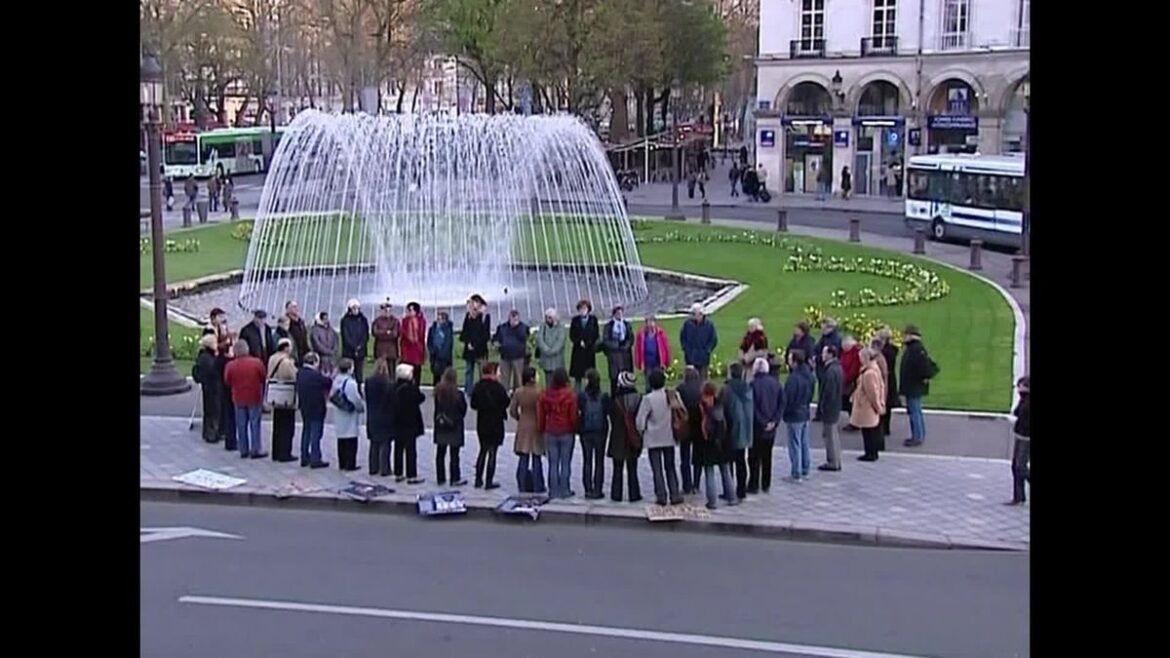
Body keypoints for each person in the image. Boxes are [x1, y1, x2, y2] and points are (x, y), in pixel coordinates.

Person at [636, 369, 683, 506]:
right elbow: (680, 411)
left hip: (653, 438)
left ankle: (661, 495)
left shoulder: (648, 399)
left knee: (657, 469)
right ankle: (674, 494)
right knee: (670, 467)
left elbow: (640, 421)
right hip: (669, 436)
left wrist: (642, 431)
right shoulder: (672, 395)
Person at [223, 338, 268, 459]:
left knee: (241, 424)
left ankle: (243, 449)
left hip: (238, 397)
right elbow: (263, 377)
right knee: (255, 423)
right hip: (254, 396)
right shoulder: (256, 363)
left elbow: (227, 381)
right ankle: (256, 449)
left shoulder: (230, 365)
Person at [538, 367, 579, 499]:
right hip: (566, 431)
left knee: (553, 463)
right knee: (565, 463)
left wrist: (542, 428)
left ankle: (553, 490)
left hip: (551, 431)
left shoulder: (545, 394)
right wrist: (575, 427)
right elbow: (573, 416)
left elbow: (541, 414)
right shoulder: (570, 395)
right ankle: (565, 489)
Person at [697, 380, 737, 509]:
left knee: (709, 472)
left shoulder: (702, 408)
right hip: (722, 443)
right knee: (725, 470)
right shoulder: (720, 405)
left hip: (709, 443)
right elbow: (729, 423)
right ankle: (732, 497)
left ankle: (712, 501)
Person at [470, 361, 509, 489]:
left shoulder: (478, 387)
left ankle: (478, 479)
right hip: (496, 423)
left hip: (482, 422)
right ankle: (489, 481)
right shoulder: (498, 388)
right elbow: (506, 403)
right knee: (493, 452)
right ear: (493, 372)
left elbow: (473, 404)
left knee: (482, 450)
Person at [748, 357, 784, 493]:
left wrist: (762, 422)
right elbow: (781, 404)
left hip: (757, 427)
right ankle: (766, 483)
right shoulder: (776, 384)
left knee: (754, 457)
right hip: (771, 427)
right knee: (767, 456)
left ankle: (753, 484)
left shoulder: (752, 385)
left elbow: (753, 407)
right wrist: (774, 421)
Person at [607, 371, 643, 502]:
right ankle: (634, 494)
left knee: (617, 469)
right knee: (633, 468)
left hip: (617, 437)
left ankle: (616, 494)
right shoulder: (639, 399)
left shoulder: (615, 401)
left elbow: (611, 418)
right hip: (633, 436)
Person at [899, 324, 937, 447]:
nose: (903, 337)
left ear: (911, 336)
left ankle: (917, 437)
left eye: (905, 335)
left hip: (913, 386)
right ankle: (919, 435)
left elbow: (925, 368)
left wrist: (923, 378)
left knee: (914, 412)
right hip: (913, 386)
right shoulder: (916, 349)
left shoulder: (915, 350)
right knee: (916, 411)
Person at [509, 366, 545, 493]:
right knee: (536, 457)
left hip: (524, 424)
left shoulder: (518, 392)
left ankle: (522, 484)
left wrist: (519, 417)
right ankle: (538, 485)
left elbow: (512, 410)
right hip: (536, 424)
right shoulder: (539, 392)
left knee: (523, 457)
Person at [576, 369, 610, 499]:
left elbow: (579, 411)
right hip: (600, 431)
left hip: (586, 431)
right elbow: (607, 413)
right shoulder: (604, 397)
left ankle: (588, 489)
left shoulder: (582, 396)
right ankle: (598, 489)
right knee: (599, 461)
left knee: (587, 460)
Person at [720, 362, 753, 499]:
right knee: (741, 461)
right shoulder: (748, 388)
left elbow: (721, 410)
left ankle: (730, 490)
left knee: (728, 462)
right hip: (746, 429)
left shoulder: (727, 389)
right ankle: (741, 490)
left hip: (731, 430)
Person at [782, 349, 814, 482]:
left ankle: (796, 472)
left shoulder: (793, 378)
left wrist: (785, 412)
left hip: (794, 414)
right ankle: (805, 469)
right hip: (804, 411)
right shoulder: (809, 375)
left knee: (794, 444)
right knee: (804, 442)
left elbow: (787, 398)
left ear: (794, 361)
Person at [432, 366, 468, 486]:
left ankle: (440, 477)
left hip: (441, 424)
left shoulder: (438, 392)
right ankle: (454, 478)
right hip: (454, 426)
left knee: (440, 453)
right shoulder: (458, 394)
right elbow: (463, 409)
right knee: (454, 455)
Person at [295, 352, 331, 468]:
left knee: (306, 431)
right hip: (317, 407)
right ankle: (315, 458)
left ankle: (304, 456)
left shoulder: (299, 373)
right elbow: (328, 383)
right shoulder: (316, 376)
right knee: (315, 433)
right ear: (315, 362)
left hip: (304, 406)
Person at [392, 363, 426, 484]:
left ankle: (398, 473)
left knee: (398, 448)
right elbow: (421, 398)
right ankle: (411, 475)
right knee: (411, 450)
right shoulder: (411, 389)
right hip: (410, 422)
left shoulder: (394, 387)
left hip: (397, 421)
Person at [851, 348, 887, 462]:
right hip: (868, 406)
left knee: (868, 431)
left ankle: (870, 453)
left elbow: (872, 392)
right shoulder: (873, 370)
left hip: (867, 407)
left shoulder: (869, 373)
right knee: (869, 430)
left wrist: (877, 406)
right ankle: (871, 452)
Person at [266, 338, 299, 462]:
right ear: (286, 348)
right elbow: (291, 376)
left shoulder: (272, 358)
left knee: (277, 424)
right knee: (286, 426)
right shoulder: (286, 361)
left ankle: (276, 451)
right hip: (285, 395)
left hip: (275, 395)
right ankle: (284, 453)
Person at [331, 358, 365, 472]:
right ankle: (350, 464)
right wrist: (361, 408)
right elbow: (355, 399)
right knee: (351, 439)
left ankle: (342, 463)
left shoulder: (336, 380)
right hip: (349, 414)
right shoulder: (350, 383)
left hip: (339, 413)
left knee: (341, 439)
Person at [365, 358, 396, 477]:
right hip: (385, 415)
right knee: (385, 443)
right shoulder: (389, 383)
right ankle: (385, 468)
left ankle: (373, 467)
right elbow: (391, 401)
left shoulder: (369, 382)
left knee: (374, 443)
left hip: (372, 415)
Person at [675, 366, 703, 494]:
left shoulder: (680, 389)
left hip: (685, 426)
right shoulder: (702, 388)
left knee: (684, 457)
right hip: (699, 427)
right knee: (698, 458)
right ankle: (696, 485)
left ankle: (687, 485)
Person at [816, 345, 844, 471]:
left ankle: (832, 461)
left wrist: (823, 407)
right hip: (835, 406)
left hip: (830, 408)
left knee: (830, 435)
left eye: (824, 353)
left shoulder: (831, 371)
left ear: (830, 355)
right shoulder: (837, 368)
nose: (822, 355)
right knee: (833, 435)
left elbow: (828, 393)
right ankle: (836, 460)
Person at [192, 334, 221, 443]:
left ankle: (209, 432)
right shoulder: (208, 358)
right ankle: (211, 433)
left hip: (208, 387)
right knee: (213, 410)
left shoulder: (203, 356)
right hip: (211, 387)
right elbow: (213, 371)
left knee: (209, 410)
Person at [1006, 376, 1030, 506]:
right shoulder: (1023, 399)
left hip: (1026, 437)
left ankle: (1019, 496)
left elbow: (1023, 416)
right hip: (1020, 435)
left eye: (1020, 386)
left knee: (1021, 467)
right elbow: (1017, 412)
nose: (1018, 389)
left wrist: (1016, 419)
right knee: (1016, 466)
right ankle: (1019, 496)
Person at [812, 318, 842, 421]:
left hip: (825, 368)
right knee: (822, 390)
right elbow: (816, 348)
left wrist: (818, 358)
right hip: (822, 367)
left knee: (826, 391)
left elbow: (831, 354)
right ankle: (820, 412)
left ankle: (823, 413)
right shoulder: (825, 337)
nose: (822, 329)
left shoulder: (834, 339)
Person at [460, 294, 492, 391]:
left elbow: (485, 335)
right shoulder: (469, 316)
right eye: (473, 302)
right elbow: (464, 332)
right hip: (469, 350)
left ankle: (482, 391)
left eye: (477, 302)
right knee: (469, 371)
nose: (474, 305)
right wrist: (468, 342)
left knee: (482, 371)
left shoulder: (485, 317)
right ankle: (468, 390)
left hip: (480, 349)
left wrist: (475, 344)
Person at [680, 303, 718, 380]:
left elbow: (713, 340)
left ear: (701, 314)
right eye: (693, 314)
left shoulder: (709, 325)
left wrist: (707, 350)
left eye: (695, 314)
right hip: (690, 358)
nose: (694, 316)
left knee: (703, 380)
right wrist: (686, 349)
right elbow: (682, 338)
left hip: (703, 358)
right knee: (690, 380)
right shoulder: (687, 324)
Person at [494, 309, 530, 391]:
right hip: (505, 357)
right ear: (509, 318)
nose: (514, 321)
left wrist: (517, 327)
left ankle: (517, 397)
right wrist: (497, 345)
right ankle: (504, 396)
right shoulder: (502, 328)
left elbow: (524, 337)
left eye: (516, 319)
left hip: (518, 357)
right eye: (513, 318)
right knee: (504, 379)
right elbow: (496, 339)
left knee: (518, 379)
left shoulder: (523, 327)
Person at [601, 306, 634, 393]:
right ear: (614, 314)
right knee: (615, 379)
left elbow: (631, 339)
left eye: (621, 313)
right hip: (614, 356)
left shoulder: (626, 325)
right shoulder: (608, 326)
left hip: (625, 356)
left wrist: (625, 345)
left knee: (626, 377)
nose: (620, 315)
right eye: (618, 313)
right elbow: (606, 340)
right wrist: (617, 345)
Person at [568, 299, 599, 391]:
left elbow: (596, 334)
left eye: (584, 308)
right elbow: (572, 334)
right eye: (581, 308)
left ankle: (589, 392)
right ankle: (577, 393)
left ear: (588, 309)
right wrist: (578, 342)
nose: (582, 310)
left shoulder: (593, 320)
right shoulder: (575, 320)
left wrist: (588, 342)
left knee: (589, 374)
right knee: (578, 375)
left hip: (589, 351)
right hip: (578, 351)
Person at [875, 327, 900, 438]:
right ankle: (886, 427)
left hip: (885, 378)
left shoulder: (885, 352)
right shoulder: (892, 350)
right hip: (890, 378)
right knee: (887, 404)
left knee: (884, 401)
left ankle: (883, 427)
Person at [340, 299, 370, 385]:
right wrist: (353, 347)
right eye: (353, 308)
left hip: (361, 351)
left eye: (357, 308)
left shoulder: (363, 320)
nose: (355, 310)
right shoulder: (345, 320)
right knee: (349, 372)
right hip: (349, 351)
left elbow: (365, 334)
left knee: (359, 372)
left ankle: (359, 388)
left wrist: (360, 345)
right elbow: (345, 336)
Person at [399, 302, 427, 387]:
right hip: (407, 349)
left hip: (417, 349)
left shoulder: (421, 321)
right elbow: (402, 334)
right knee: (407, 372)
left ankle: (416, 388)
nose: (409, 312)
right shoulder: (405, 321)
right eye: (409, 310)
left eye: (411, 310)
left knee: (417, 370)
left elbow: (421, 334)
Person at [536, 308, 566, 381]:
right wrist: (546, 350)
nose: (547, 319)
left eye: (550, 317)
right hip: (546, 360)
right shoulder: (542, 326)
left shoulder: (560, 327)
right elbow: (539, 339)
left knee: (557, 380)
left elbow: (560, 341)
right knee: (548, 380)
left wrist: (552, 351)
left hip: (557, 360)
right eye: (546, 317)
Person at [839, 336, 862, 431]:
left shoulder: (855, 354)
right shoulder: (844, 353)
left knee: (850, 402)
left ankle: (855, 422)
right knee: (847, 402)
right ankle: (853, 421)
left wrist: (846, 379)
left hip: (851, 382)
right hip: (844, 380)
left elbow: (854, 369)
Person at [372, 302, 401, 373]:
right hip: (380, 350)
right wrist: (386, 332)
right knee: (380, 371)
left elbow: (395, 334)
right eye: (385, 310)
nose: (387, 312)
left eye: (389, 310)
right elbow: (375, 332)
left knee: (391, 372)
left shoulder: (395, 321)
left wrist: (383, 333)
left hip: (392, 351)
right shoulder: (377, 321)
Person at [427, 310, 455, 385]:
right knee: (436, 375)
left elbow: (448, 343)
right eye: (438, 318)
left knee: (445, 375)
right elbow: (429, 341)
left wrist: (443, 353)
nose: (440, 321)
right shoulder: (432, 329)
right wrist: (432, 351)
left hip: (445, 357)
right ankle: (436, 391)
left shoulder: (448, 329)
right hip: (435, 356)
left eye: (442, 319)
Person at [285, 300, 311, 366]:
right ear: (288, 309)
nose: (296, 309)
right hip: (293, 355)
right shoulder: (286, 322)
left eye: (296, 306)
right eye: (293, 307)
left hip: (303, 354)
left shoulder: (301, 322)